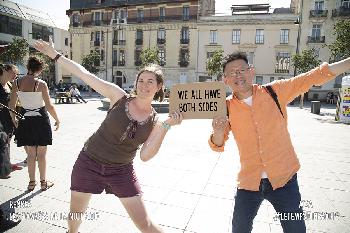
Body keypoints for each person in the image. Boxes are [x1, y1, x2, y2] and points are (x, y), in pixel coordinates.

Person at [34, 37, 183, 233]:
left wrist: (166, 126)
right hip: (89, 162)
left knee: (145, 224)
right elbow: (84, 74)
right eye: (141, 80)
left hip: (121, 171)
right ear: (136, 82)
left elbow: (145, 156)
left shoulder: (156, 121)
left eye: (150, 82)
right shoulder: (118, 96)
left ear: (158, 87)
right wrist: (54, 54)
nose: (144, 85)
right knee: (76, 216)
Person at [209, 52, 350, 233]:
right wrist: (218, 131)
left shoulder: (275, 91)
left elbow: (312, 76)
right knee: (239, 229)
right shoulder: (225, 107)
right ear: (225, 80)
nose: (238, 75)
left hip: (285, 180)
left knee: (295, 229)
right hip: (249, 182)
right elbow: (217, 145)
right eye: (232, 72)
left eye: (242, 70)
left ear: (252, 72)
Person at [9, 57, 60, 191]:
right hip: (41, 119)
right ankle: (43, 183)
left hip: (25, 120)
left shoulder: (16, 82)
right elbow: (49, 106)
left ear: (28, 67)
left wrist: (14, 119)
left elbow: (12, 105)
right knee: (42, 155)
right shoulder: (41, 83)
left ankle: (32, 183)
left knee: (31, 155)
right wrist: (57, 119)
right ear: (40, 69)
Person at [0, 64, 22, 178]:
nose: (16, 75)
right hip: (1, 120)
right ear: (5, 70)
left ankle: (6, 165)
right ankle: (3, 171)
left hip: (9, 118)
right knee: (2, 143)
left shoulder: (9, 84)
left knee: (7, 143)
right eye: (14, 73)